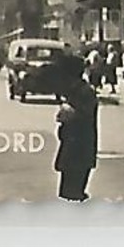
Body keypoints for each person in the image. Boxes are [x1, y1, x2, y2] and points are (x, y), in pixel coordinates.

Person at [53, 53, 99, 201]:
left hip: (79, 150)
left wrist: (67, 113)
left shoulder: (84, 92)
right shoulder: (75, 91)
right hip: (73, 149)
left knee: (73, 193)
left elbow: (82, 116)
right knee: (67, 193)